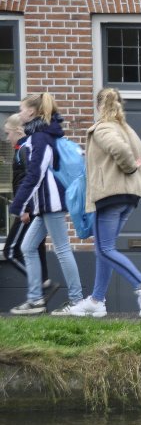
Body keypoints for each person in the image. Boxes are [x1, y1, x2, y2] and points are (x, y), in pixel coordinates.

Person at [69, 88, 141, 318]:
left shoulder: (103, 127)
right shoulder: (127, 129)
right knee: (105, 250)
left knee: (105, 248)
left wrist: (129, 166)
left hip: (110, 195)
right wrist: (132, 167)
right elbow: (135, 152)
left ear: (100, 106)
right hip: (129, 197)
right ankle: (97, 300)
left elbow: (120, 150)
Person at [9, 93, 84, 315]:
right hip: (43, 204)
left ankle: (76, 300)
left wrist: (19, 205)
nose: (20, 112)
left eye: (22, 109)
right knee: (27, 247)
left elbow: (35, 174)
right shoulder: (39, 134)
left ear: (32, 112)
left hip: (50, 202)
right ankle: (35, 300)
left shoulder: (40, 137)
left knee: (61, 249)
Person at [2, 113, 57, 303]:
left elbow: (28, 178)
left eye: (8, 133)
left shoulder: (24, 149)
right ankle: (43, 283)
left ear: (18, 131)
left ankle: (40, 286)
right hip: (30, 207)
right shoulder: (23, 148)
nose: (6, 138)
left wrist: (24, 208)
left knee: (10, 251)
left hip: (27, 209)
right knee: (36, 247)